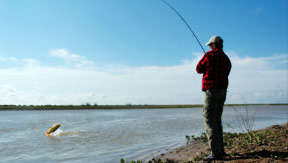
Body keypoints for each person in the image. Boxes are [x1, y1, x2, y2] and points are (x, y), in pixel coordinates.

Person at [196, 35, 232, 160]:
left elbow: (198, 69)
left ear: (214, 44)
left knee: (210, 121)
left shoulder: (209, 55)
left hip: (211, 91)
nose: (210, 47)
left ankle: (216, 153)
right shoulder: (227, 59)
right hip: (223, 92)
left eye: (210, 45)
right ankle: (220, 151)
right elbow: (226, 72)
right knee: (217, 121)